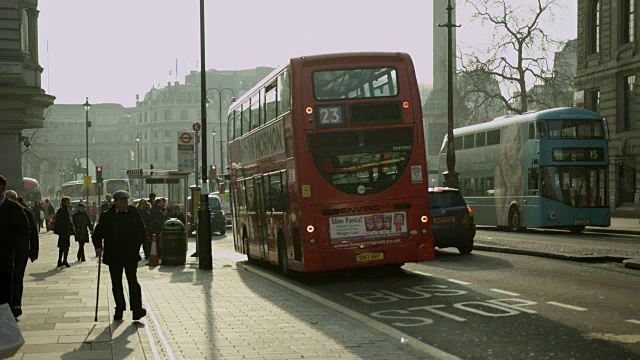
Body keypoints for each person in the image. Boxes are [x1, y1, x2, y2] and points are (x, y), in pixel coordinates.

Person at [92, 190, 147, 321]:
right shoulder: (107, 216)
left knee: (133, 281)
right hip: (114, 255)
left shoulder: (134, 213)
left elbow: (142, 231)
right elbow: (98, 233)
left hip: (130, 254)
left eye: (126, 201)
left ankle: (136, 309)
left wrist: (139, 245)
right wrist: (98, 247)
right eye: (122, 201)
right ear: (115, 202)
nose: (124, 203)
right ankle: (119, 308)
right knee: (116, 283)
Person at [7, 192, 39, 318]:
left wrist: (33, 251)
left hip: (21, 251)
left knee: (17, 277)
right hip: (5, 252)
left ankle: (16, 304)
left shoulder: (26, 212)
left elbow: (33, 233)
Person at [0, 176, 30, 309]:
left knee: (7, 286)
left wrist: (17, 248)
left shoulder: (14, 207)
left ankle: (9, 311)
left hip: (7, 255)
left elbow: (25, 230)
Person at [55, 197, 75, 268]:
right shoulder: (63, 210)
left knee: (63, 246)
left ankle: (61, 260)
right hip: (64, 231)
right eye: (68, 201)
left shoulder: (64, 210)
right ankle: (63, 260)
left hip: (64, 231)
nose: (69, 203)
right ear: (64, 202)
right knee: (65, 246)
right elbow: (65, 221)